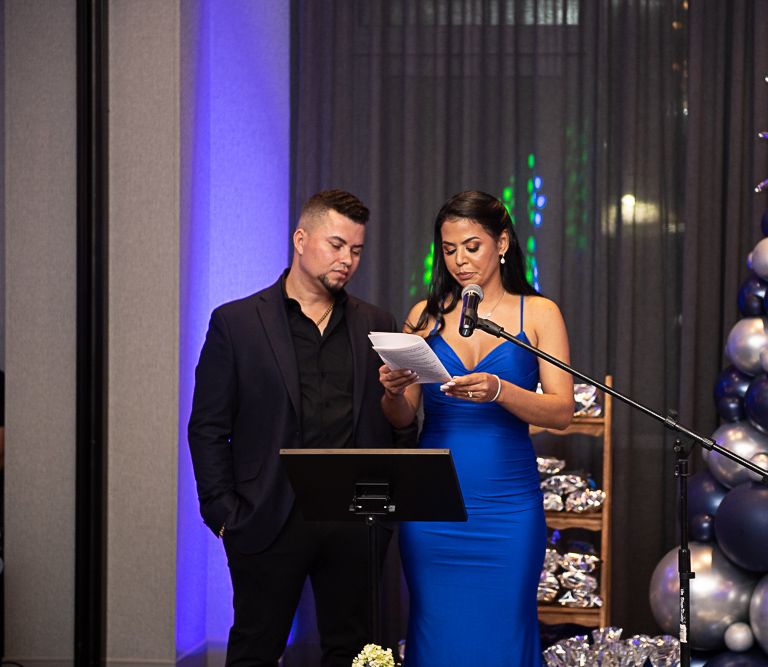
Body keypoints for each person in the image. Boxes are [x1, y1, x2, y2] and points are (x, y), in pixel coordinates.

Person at [188, 189, 415, 666]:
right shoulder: (236, 322)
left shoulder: (378, 323)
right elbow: (208, 426)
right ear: (300, 239)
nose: (347, 260)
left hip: (356, 521)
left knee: (354, 653)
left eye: (356, 250)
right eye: (336, 245)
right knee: (255, 649)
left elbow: (400, 430)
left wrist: (385, 518)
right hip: (267, 516)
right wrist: (224, 514)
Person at [379, 190, 575, 666]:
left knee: (505, 633)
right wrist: (390, 389)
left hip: (508, 506)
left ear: (502, 242)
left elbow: (562, 412)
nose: (460, 261)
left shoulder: (539, 313)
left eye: (472, 246)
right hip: (433, 506)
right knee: (435, 630)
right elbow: (402, 417)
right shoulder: (422, 318)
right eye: (449, 250)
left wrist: (500, 391)